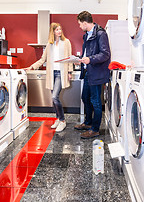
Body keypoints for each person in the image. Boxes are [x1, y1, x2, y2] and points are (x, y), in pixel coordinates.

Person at [26, 22, 73, 132]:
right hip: (52, 74)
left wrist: (70, 71)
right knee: (53, 99)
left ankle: (62, 121)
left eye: (60, 29)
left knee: (54, 97)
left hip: (61, 73)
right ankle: (57, 118)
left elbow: (70, 57)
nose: (59, 31)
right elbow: (43, 59)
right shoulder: (49, 44)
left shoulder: (66, 42)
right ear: (53, 32)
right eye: (57, 30)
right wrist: (32, 67)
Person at [74, 11, 111, 139]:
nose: (79, 26)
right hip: (88, 72)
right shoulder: (87, 35)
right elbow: (87, 52)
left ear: (85, 23)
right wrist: (81, 59)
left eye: (80, 24)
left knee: (95, 101)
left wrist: (90, 59)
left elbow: (105, 54)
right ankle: (88, 123)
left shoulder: (101, 34)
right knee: (85, 98)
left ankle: (95, 129)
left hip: (97, 73)